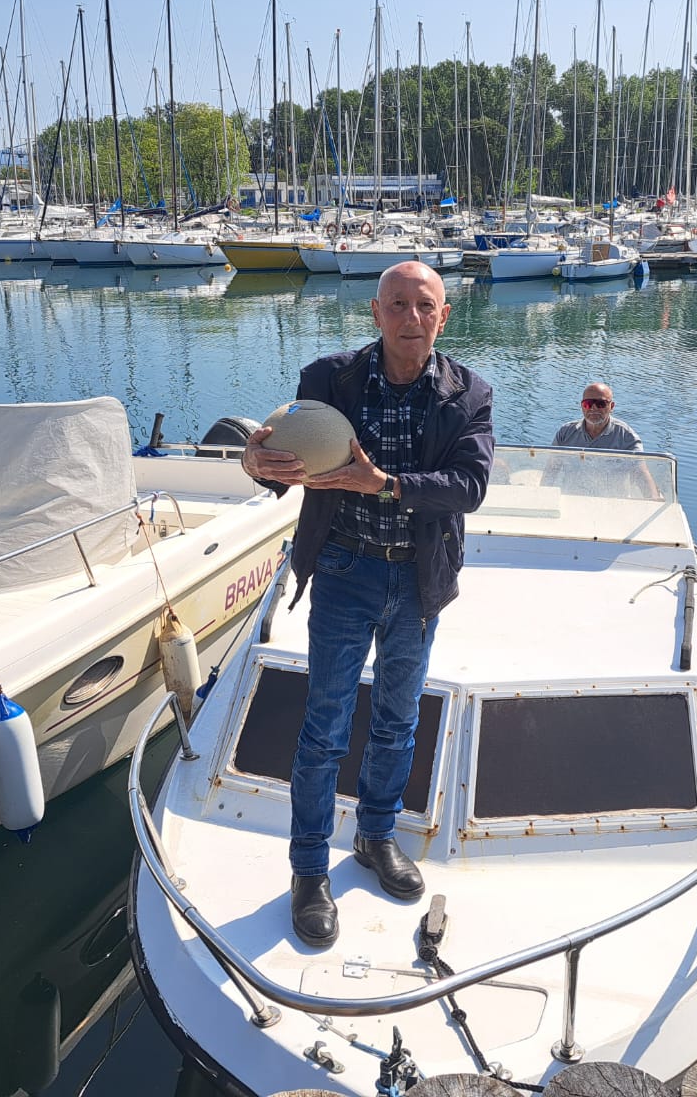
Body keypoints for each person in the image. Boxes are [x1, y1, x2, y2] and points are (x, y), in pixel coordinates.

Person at [242, 260, 495, 949]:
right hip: (344, 569)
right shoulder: (329, 380)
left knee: (397, 720)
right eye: (398, 304)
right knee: (325, 725)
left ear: (444, 316)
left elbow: (468, 486)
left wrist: (383, 483)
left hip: (418, 580)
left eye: (425, 305)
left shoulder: (469, 393)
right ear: (376, 313)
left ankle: (376, 836)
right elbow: (285, 461)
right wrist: (255, 463)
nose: (412, 317)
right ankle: (308, 870)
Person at [552, 383, 643, 450]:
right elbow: (551, 466)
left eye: (600, 404)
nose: (593, 408)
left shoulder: (627, 437)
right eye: (588, 404)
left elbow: (640, 469)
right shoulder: (565, 433)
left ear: (611, 406)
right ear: (582, 406)